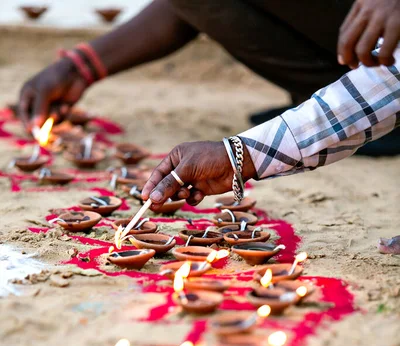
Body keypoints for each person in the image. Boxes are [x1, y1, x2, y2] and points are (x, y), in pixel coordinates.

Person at [18, 0, 400, 212]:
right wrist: (80, 66)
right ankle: (335, 106)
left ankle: (353, 115)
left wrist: (241, 155)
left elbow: (391, 81)